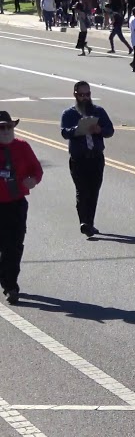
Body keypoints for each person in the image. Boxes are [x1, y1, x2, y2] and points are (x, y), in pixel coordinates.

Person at [59, 82, 114, 237]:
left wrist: (99, 130)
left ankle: (90, 222)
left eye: (87, 94)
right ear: (75, 94)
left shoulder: (98, 111)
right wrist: (78, 130)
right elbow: (64, 132)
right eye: (81, 95)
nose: (85, 98)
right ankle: (84, 222)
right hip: (79, 159)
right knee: (82, 191)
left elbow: (110, 130)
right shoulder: (69, 114)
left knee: (94, 190)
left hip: (96, 158)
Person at [0, 111, 42, 304]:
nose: (7, 130)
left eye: (9, 126)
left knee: (14, 246)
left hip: (16, 204)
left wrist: (33, 179)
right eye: (2, 127)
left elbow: (36, 169)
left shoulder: (22, 147)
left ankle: (11, 285)